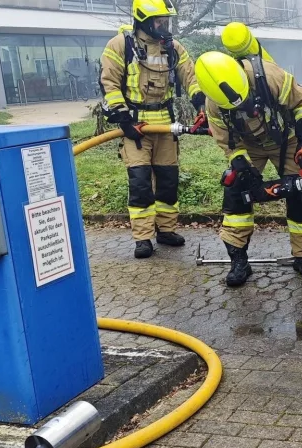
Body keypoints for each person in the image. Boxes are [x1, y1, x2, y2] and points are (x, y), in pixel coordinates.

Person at [194, 46, 302, 287]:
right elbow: (225, 139)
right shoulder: (214, 105)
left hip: (286, 139)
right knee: (236, 193)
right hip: (248, 144)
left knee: (300, 191)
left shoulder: (268, 76)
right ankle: (239, 261)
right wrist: (240, 162)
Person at [99, 0, 205, 258]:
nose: (165, 25)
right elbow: (109, 83)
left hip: (165, 125)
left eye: (166, 20)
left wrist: (201, 104)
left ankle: (166, 230)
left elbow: (190, 77)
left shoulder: (173, 47)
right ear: (144, 20)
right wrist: (124, 121)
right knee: (140, 183)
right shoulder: (121, 46)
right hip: (135, 127)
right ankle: (143, 238)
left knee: (168, 180)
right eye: (160, 21)